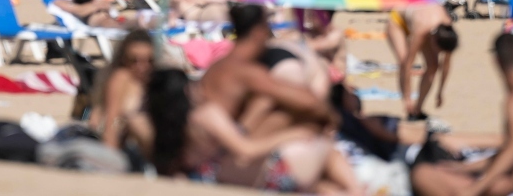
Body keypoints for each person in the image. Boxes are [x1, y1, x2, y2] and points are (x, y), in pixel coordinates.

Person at [147, 68, 361, 193]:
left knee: (321, 185)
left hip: (212, 180)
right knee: (328, 150)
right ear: (186, 90)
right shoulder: (205, 114)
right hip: (269, 178)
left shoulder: (164, 128)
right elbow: (246, 150)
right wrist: (292, 134)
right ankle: (357, 191)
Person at [411, 34, 513, 196]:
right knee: (439, 170)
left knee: (422, 175)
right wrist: (466, 168)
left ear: (497, 61)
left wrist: (477, 187)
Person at [199, 4, 338, 137]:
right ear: (258, 32)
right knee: (289, 114)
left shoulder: (220, 64)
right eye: (268, 29)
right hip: (224, 143)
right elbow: (310, 102)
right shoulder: (245, 71)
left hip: (220, 136)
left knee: (271, 103)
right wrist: (330, 115)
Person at [386, 4, 458, 120]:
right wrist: (407, 98)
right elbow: (407, 65)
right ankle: (409, 108)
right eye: (438, 50)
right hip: (398, 22)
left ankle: (418, 109)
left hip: (425, 25)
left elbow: (446, 65)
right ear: (434, 39)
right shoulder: (421, 30)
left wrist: (440, 92)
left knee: (433, 66)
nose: (439, 53)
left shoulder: (448, 30)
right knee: (404, 60)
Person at [90, 29, 154, 149]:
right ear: (124, 59)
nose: (142, 67)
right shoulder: (121, 78)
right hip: (119, 148)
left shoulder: (152, 81)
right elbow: (111, 123)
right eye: (134, 60)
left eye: (149, 60)